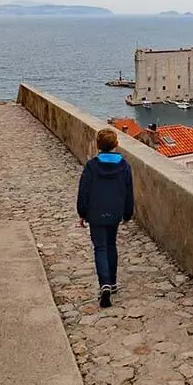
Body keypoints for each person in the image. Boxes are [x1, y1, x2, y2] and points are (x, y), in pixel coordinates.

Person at [77, 128, 134, 308]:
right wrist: (127, 214)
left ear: (98, 145)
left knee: (100, 247)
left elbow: (83, 191)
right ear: (116, 144)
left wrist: (82, 213)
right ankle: (113, 282)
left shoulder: (92, 166)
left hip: (95, 213)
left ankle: (105, 284)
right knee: (111, 244)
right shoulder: (124, 166)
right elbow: (129, 193)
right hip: (115, 212)